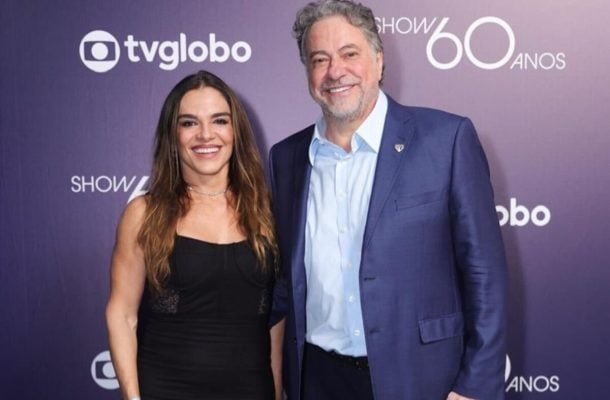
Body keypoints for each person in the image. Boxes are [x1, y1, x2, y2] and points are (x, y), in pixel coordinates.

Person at [268, 1, 508, 399]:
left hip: (423, 379)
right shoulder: (286, 158)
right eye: (320, 59)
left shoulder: (446, 140)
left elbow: (485, 275)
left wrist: (476, 387)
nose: (335, 71)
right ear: (307, 71)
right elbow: (281, 284)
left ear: (378, 61)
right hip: (317, 380)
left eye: (349, 54)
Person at [105, 70, 283, 400]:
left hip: (251, 389)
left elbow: (275, 318)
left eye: (219, 121)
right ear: (172, 135)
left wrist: (275, 390)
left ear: (236, 130)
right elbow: (122, 315)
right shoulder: (144, 213)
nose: (205, 135)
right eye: (189, 123)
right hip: (165, 389)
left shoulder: (267, 212)